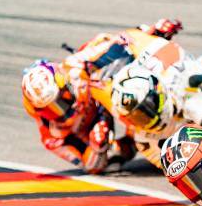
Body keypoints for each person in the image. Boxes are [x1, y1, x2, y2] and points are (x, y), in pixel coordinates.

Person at [21, 19, 182, 173]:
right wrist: (97, 146)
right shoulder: (51, 137)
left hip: (107, 90)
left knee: (108, 46)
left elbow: (118, 42)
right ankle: (161, 150)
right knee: (115, 155)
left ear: (66, 85)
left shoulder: (74, 67)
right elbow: (89, 165)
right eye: (50, 109)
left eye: (60, 102)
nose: (58, 112)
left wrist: (152, 32)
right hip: (101, 131)